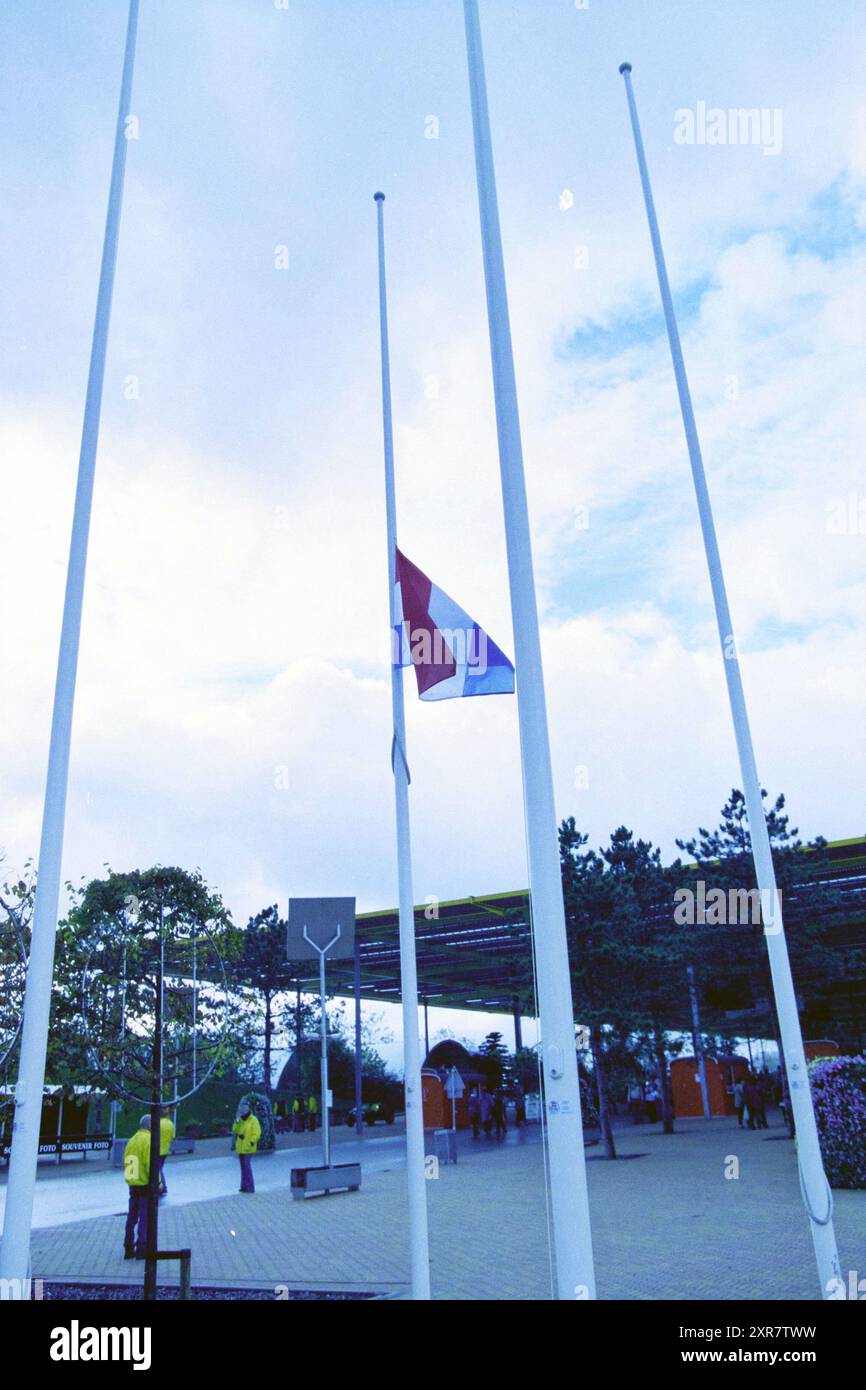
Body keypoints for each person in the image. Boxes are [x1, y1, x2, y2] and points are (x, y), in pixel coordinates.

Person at [123, 1115, 152, 1259]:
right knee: (145, 1217)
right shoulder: (148, 1140)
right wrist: (157, 1182)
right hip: (145, 1184)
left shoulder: (132, 1140)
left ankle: (128, 1247)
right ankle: (142, 1247)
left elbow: (128, 1161)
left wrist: (131, 1179)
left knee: (132, 1217)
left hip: (132, 1184)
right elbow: (150, 1164)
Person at [232, 1100, 262, 1193]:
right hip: (241, 1148)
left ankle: (250, 1187)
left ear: (247, 1111)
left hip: (248, 1148)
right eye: (241, 1111)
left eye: (243, 1111)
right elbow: (234, 1130)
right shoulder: (241, 1120)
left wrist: (251, 1142)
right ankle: (244, 1186)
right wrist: (237, 1122)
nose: (242, 1113)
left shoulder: (253, 1120)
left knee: (247, 1168)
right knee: (243, 1168)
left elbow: (257, 1133)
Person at [158, 1108, 175, 1196]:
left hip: (157, 1150)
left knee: (157, 1169)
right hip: (165, 1150)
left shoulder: (157, 1124)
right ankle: (160, 1187)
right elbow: (172, 1137)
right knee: (159, 1168)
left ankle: (163, 1187)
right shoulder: (170, 1124)